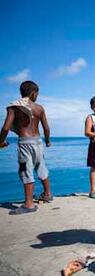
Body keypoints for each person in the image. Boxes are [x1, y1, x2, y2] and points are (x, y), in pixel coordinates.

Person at [0, 80, 53, 214]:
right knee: (41, 166)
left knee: (25, 170)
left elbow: (6, 127)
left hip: (24, 143)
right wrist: (47, 141)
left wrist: (0, 141)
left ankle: (29, 204)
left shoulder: (15, 106)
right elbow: (46, 128)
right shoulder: (39, 108)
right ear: (33, 94)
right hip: (38, 142)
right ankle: (47, 194)